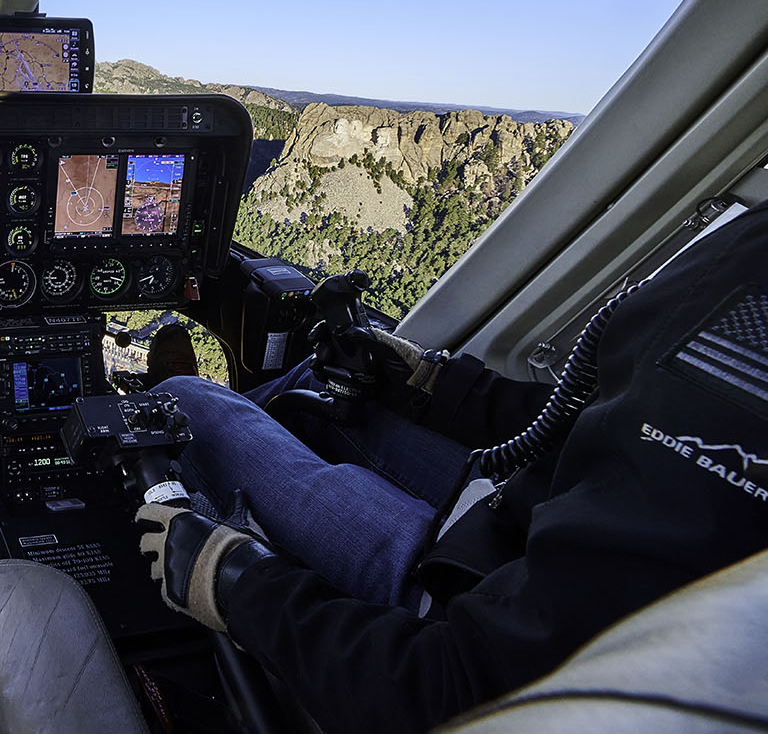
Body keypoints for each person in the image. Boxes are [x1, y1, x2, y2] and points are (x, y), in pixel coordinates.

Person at [135, 202, 768, 734]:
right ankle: (236, 447)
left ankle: (190, 440)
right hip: (520, 517)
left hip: (458, 603)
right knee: (321, 390)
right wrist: (429, 382)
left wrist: (235, 579)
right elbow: (605, 413)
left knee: (185, 401)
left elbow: (466, 690)